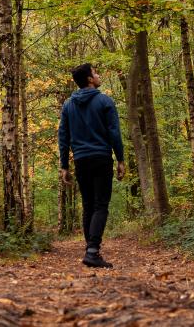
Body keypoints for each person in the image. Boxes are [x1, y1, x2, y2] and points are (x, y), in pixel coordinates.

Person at [58, 63, 126, 268]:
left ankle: (90, 250)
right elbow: (114, 132)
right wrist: (120, 159)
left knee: (88, 205)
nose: (98, 75)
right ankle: (93, 251)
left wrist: (64, 165)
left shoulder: (68, 105)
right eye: (95, 73)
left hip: (81, 160)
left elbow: (63, 136)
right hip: (101, 158)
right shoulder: (105, 101)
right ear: (89, 79)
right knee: (100, 205)